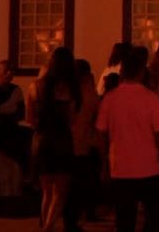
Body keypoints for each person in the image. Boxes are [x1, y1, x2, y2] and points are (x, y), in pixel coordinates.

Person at [96, 46, 159, 232]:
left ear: (122, 72)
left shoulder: (110, 99)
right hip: (149, 167)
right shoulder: (151, 98)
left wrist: (104, 163)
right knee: (153, 218)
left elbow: (101, 133)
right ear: (141, 72)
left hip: (120, 167)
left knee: (124, 219)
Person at [27, 47, 82, 232]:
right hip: (60, 139)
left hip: (40, 140)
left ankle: (45, 225)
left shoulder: (35, 86)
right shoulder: (67, 87)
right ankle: (48, 227)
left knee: (46, 191)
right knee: (60, 191)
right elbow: (71, 119)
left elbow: (29, 118)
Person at [64, 59, 100, 232]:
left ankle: (69, 220)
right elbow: (97, 118)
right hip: (84, 144)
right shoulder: (89, 93)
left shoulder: (67, 91)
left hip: (67, 143)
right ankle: (75, 220)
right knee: (82, 185)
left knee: (68, 186)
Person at [0, 60, 27, 197]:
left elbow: (21, 113)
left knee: (15, 167)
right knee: (1, 168)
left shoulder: (16, 90)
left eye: (11, 70)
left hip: (13, 133)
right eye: (6, 71)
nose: (9, 73)